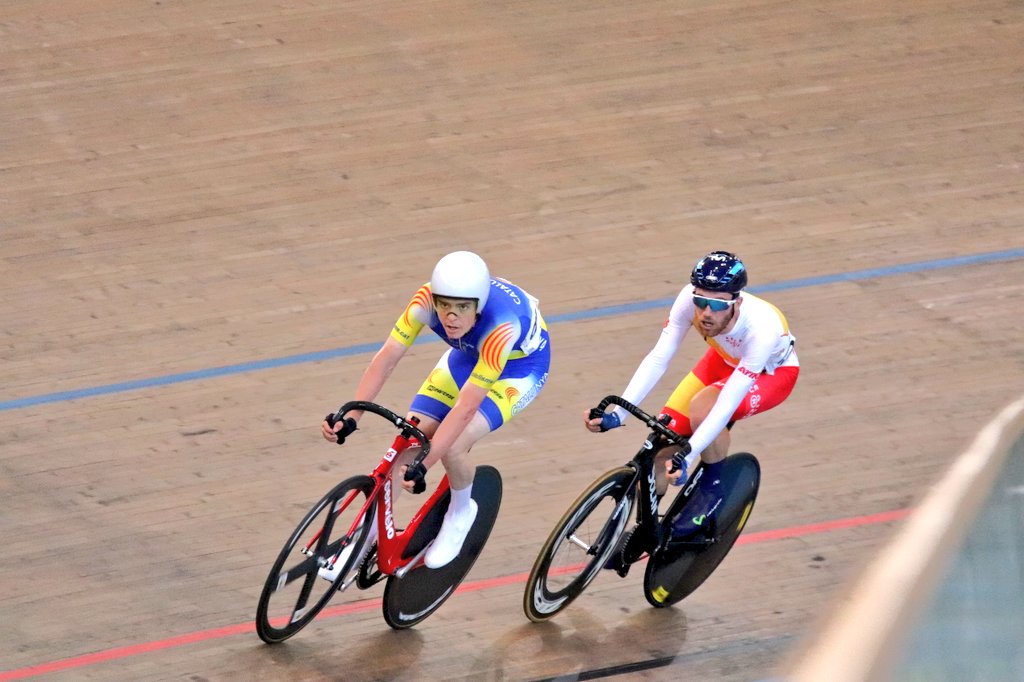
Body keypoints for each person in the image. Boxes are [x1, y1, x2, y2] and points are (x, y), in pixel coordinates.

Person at [321, 250, 550, 575]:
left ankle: (461, 512)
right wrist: (352, 416)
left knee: (453, 446)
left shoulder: (502, 326)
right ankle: (365, 536)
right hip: (469, 356)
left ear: (478, 306)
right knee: (410, 436)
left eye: (462, 308)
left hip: (517, 370)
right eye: (445, 305)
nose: (451, 317)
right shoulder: (424, 300)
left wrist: (425, 465)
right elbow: (387, 358)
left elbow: (466, 408)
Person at [585, 250, 798, 547]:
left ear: (737, 302)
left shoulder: (763, 329)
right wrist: (618, 414)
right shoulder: (688, 298)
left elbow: (726, 403)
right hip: (722, 361)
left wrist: (689, 454)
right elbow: (659, 357)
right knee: (659, 445)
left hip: (770, 375)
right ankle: (647, 532)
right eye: (700, 301)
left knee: (702, 409)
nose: (706, 312)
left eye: (717, 304)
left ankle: (712, 489)